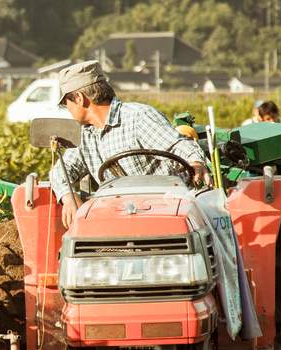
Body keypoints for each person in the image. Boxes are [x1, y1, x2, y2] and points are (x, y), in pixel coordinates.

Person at [48, 61, 210, 228]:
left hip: (166, 213)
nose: (66, 108)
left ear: (79, 98)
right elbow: (60, 172)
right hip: (120, 221)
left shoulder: (138, 117)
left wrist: (195, 162)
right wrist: (68, 196)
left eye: (65, 103)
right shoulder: (85, 135)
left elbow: (178, 145)